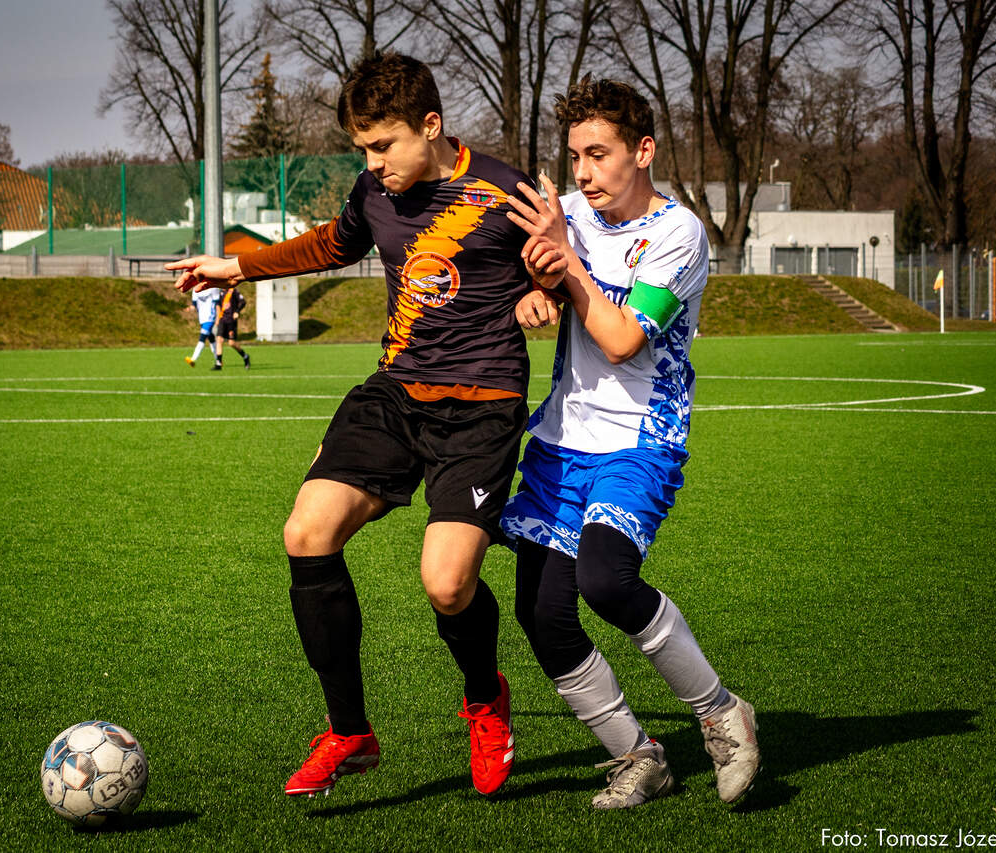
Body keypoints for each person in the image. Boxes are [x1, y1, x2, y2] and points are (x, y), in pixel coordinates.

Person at [165, 52, 557, 798]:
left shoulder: (506, 191)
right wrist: (236, 267)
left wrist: (546, 294)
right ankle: (348, 730)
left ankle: (485, 698)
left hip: (481, 405)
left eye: (383, 146)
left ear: (430, 125)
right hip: (395, 392)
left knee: (447, 583)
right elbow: (330, 243)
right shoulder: (374, 190)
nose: (373, 164)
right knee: (306, 531)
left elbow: (560, 265)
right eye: (364, 149)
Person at [499, 76, 761, 810]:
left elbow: (619, 339)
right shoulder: (569, 215)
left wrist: (568, 264)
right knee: (541, 612)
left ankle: (722, 714)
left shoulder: (678, 234)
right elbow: (543, 283)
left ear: (642, 151)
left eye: (600, 154)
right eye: (575, 157)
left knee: (607, 580)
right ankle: (637, 756)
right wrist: (536, 290)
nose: (584, 173)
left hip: (640, 439)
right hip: (561, 441)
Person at [213, 284, 250, 369]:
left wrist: (237, 311)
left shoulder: (233, 291)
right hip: (222, 319)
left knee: (231, 343)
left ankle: (245, 356)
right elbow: (218, 305)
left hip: (231, 321)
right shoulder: (220, 293)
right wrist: (218, 318)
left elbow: (243, 302)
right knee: (219, 339)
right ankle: (218, 363)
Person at [185, 284, 222, 367]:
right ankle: (218, 361)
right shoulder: (195, 289)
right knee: (211, 339)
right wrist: (189, 309)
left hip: (210, 317)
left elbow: (217, 304)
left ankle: (193, 359)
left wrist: (218, 318)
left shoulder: (213, 287)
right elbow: (194, 305)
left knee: (202, 338)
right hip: (202, 318)